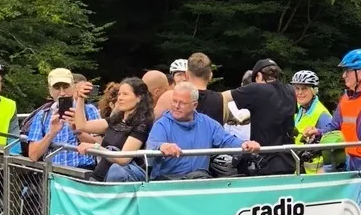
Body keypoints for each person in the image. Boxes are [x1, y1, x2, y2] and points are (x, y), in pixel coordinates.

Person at [105, 83, 260, 181]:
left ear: (194, 105)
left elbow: (227, 140)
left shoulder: (208, 123)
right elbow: (153, 145)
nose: (176, 106)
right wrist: (162, 147)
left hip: (197, 182)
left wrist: (245, 143)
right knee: (117, 171)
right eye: (174, 101)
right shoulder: (162, 124)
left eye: (182, 103)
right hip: (167, 183)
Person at [220, 58, 296, 175]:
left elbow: (221, 97)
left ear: (259, 75)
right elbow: (273, 113)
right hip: (289, 160)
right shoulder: (290, 90)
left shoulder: (256, 89)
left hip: (264, 161)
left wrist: (227, 117)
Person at [26, 68, 101, 171]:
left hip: (84, 172)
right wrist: (51, 133)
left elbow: (100, 146)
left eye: (66, 87)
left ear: (74, 87)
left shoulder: (89, 110)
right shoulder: (42, 115)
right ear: (50, 90)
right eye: (57, 88)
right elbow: (33, 155)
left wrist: (77, 130)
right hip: (53, 175)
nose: (62, 93)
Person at [88, 77, 153, 181]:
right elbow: (82, 126)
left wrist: (95, 147)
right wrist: (80, 99)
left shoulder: (143, 123)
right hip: (100, 176)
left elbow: (123, 159)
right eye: (119, 94)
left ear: (139, 97)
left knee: (116, 170)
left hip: (120, 178)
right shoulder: (116, 120)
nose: (120, 98)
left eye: (125, 94)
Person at [290, 70, 331, 174]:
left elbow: (333, 145)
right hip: (299, 169)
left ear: (314, 90)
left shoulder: (322, 114)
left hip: (316, 174)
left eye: (304, 89)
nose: (299, 92)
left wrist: (326, 170)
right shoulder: (297, 108)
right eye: (297, 88)